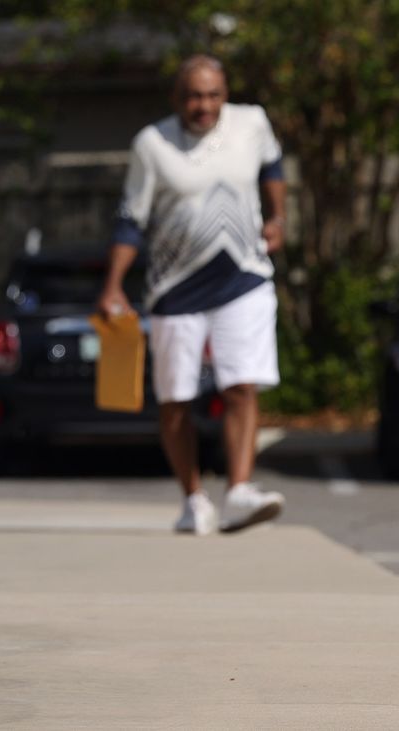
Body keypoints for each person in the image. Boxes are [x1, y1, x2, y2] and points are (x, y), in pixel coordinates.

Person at [97, 54, 286, 535]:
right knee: (176, 398)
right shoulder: (152, 144)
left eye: (213, 95)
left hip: (244, 276)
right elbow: (131, 219)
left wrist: (277, 217)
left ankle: (239, 491)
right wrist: (114, 284)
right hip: (176, 286)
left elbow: (273, 166)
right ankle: (193, 498)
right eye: (193, 97)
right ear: (176, 99)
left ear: (226, 94)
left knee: (241, 384)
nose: (204, 106)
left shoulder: (252, 123)